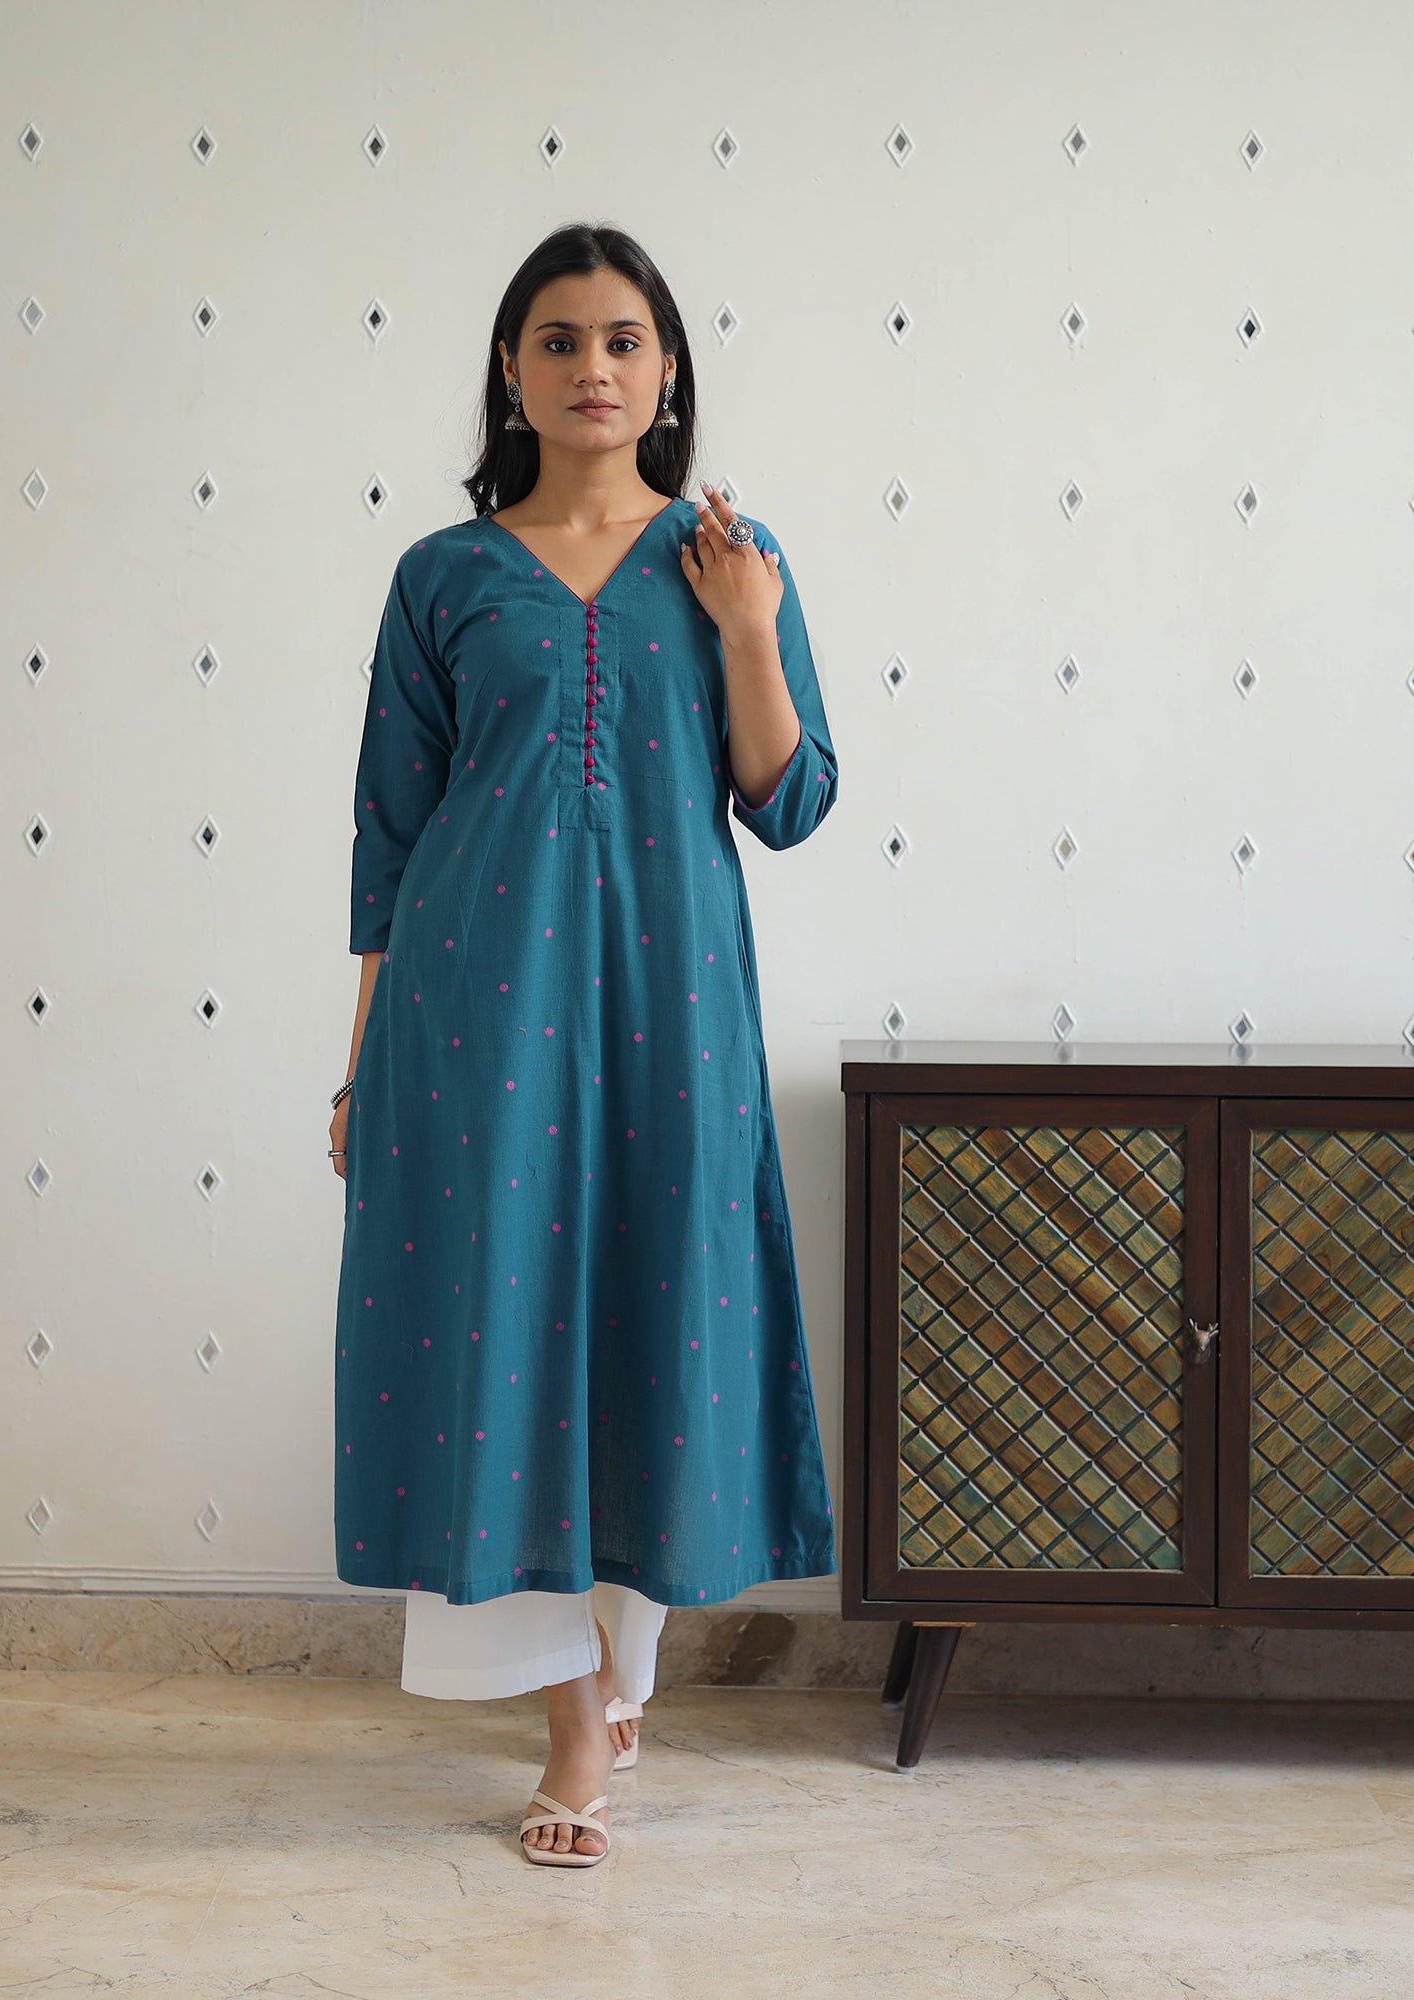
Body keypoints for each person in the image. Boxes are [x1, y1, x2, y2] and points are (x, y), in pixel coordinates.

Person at [329, 221, 839, 1868]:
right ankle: (571, 1729)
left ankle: (626, 1672)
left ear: (667, 370)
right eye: (558, 341)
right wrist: (362, 1061)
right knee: (500, 1338)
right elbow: (389, 840)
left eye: (624, 341)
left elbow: (791, 799)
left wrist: (748, 624)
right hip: (473, 1019)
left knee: (660, 1322)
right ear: (512, 370)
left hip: (674, 1012)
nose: (593, 369)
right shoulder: (444, 578)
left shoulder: (730, 559)